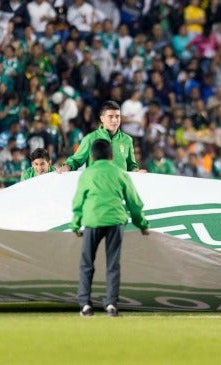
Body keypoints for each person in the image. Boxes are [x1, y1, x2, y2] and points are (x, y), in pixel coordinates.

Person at [72, 139, 150, 317]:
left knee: (87, 264)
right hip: (115, 221)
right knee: (113, 264)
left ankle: (85, 304)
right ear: (112, 155)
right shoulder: (120, 173)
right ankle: (111, 304)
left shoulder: (87, 174)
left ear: (91, 156)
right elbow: (134, 202)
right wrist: (142, 225)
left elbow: (78, 201)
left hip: (92, 221)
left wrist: (75, 223)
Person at [57, 101, 140, 172]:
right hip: (97, 186)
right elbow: (76, 160)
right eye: (110, 117)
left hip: (118, 188)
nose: (114, 120)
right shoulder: (90, 138)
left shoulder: (127, 140)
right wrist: (67, 167)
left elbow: (131, 165)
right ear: (102, 118)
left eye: (117, 117)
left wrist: (136, 170)